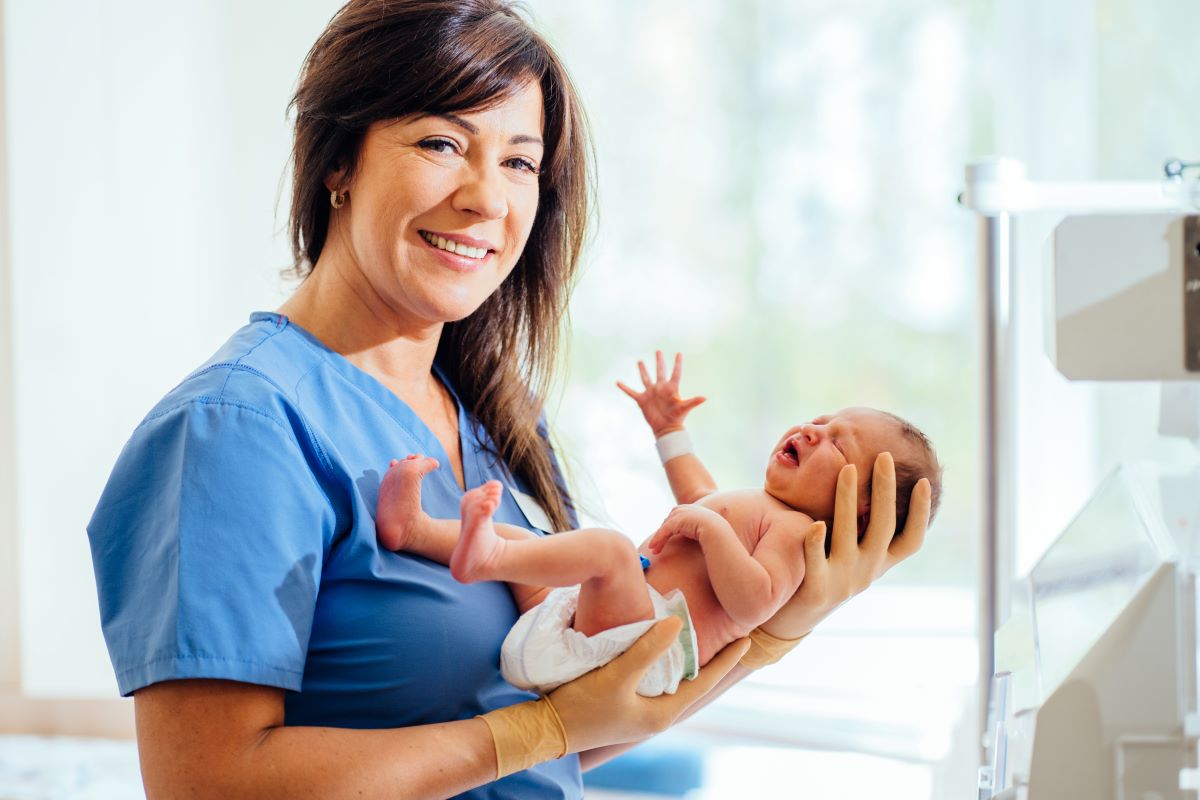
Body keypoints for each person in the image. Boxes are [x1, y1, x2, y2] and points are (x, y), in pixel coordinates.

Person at [84, 2, 932, 798]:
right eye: (441, 144)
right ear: (338, 159)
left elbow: (592, 711)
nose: (486, 197)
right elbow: (211, 784)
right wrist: (528, 735)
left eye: (519, 161)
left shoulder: (489, 414)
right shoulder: (238, 430)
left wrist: (781, 630)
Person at [376, 352, 942, 697]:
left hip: (643, 652)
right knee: (532, 541)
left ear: (857, 511)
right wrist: (668, 429)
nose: (815, 430)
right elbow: (696, 493)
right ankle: (417, 530)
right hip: (600, 621)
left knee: (610, 551)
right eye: (822, 419)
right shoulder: (756, 506)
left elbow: (752, 604)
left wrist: (710, 529)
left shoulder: (800, 538)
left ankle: (486, 560)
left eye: (840, 442)